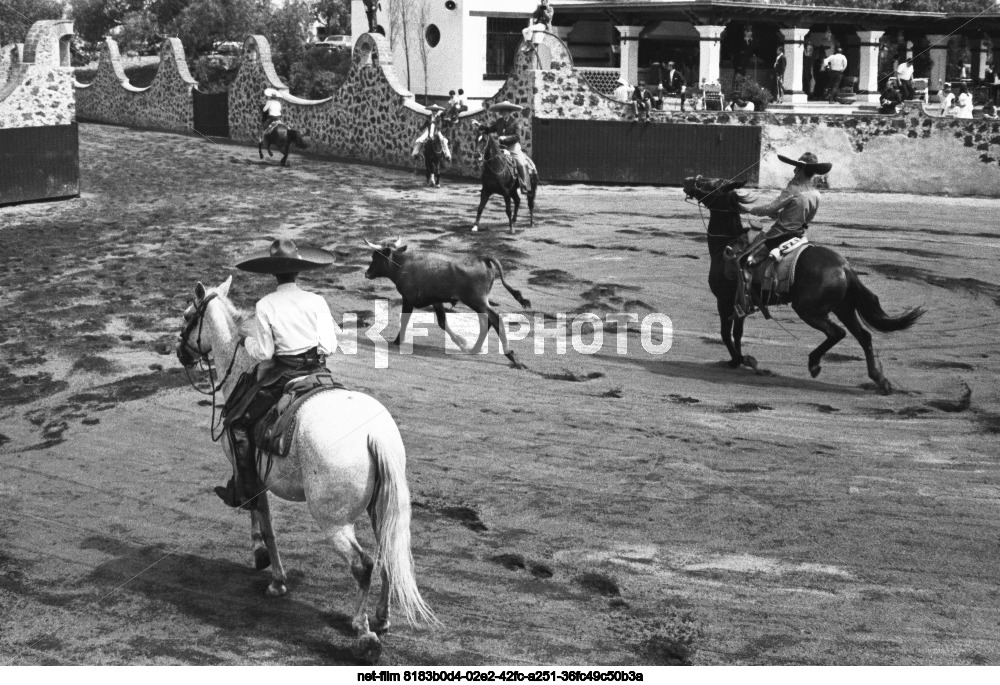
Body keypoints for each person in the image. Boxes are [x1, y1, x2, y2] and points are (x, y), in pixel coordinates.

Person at [216, 238, 337, 509]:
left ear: (273, 273)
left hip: (284, 374)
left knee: (236, 423)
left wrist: (245, 342)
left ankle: (247, 490)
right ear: (299, 269)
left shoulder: (266, 304)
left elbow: (265, 353)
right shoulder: (317, 300)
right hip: (319, 371)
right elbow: (329, 345)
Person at [731, 152, 833, 319]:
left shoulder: (793, 189)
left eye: (796, 168)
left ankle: (745, 304)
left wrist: (749, 209)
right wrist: (782, 217)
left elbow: (770, 208)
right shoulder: (816, 194)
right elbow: (805, 218)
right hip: (799, 237)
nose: (793, 171)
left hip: (779, 236)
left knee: (744, 261)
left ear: (801, 170)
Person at [479, 100, 531, 193]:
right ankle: (489, 183)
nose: (504, 113)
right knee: (490, 159)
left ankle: (524, 184)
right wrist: (480, 126)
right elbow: (490, 129)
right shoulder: (499, 122)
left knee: (520, 162)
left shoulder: (516, 122)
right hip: (501, 147)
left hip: (513, 147)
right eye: (503, 111)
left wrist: (505, 138)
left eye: (506, 111)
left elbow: (517, 137)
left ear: (510, 112)